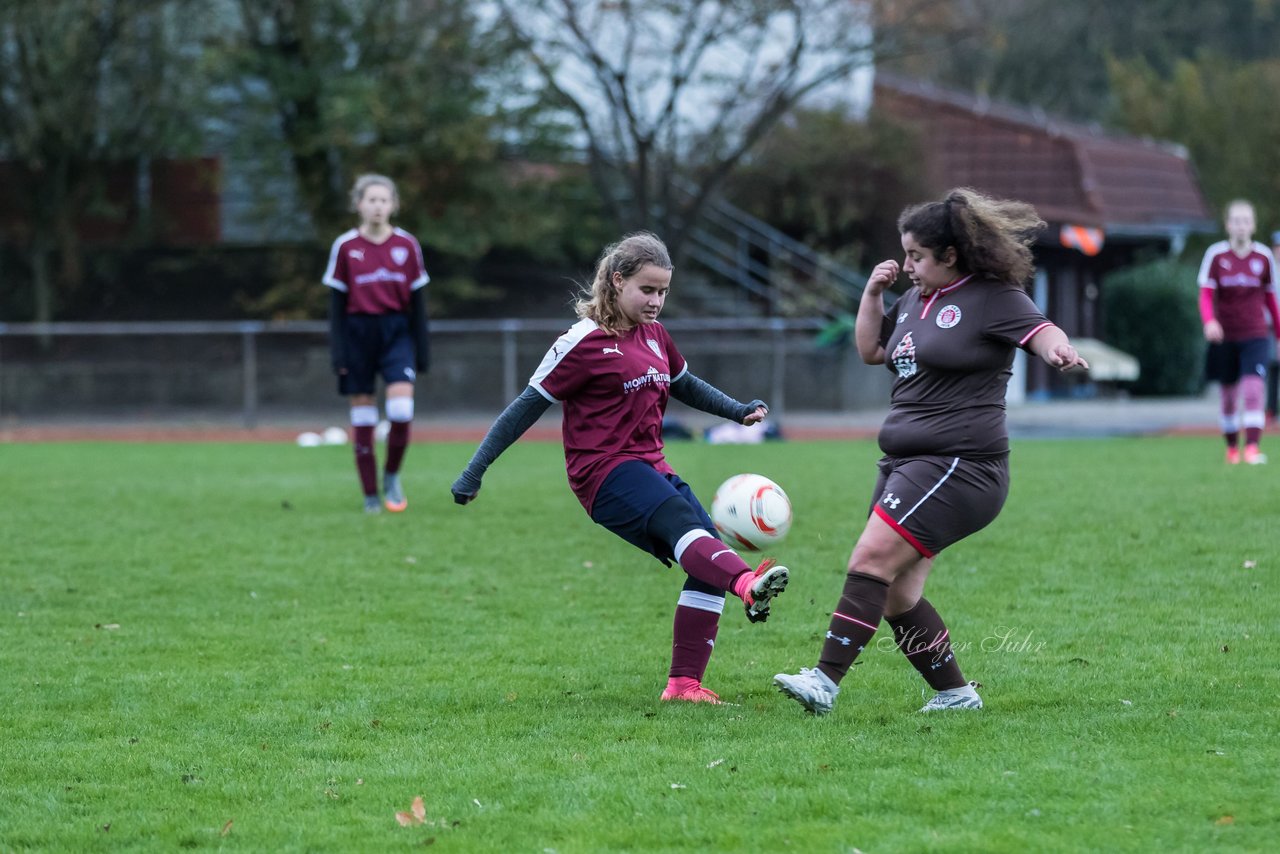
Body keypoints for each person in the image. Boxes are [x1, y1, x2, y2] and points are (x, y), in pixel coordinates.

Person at [773, 188, 1089, 716]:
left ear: (951, 255)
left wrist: (1055, 347)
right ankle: (955, 694)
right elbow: (873, 351)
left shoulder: (993, 296)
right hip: (905, 463)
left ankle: (824, 681)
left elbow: (1040, 330)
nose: (908, 265)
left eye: (917, 255)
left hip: (960, 465)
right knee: (896, 593)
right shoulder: (916, 298)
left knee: (870, 560)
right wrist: (872, 295)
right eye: (905, 254)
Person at [450, 232, 790, 704]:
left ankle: (683, 684)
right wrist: (475, 469)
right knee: (684, 527)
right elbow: (524, 408)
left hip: (650, 465)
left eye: (663, 291)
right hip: (602, 473)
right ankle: (747, 582)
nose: (656, 301)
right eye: (647, 290)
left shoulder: (654, 334)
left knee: (704, 554)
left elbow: (684, 383)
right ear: (617, 282)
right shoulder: (583, 341)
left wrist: (737, 410)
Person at [323, 174, 431, 513]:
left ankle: (391, 476)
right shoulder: (345, 247)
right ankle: (370, 494)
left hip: (396, 333)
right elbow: (336, 308)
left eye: (384, 200)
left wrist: (422, 349)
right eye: (371, 200)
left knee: (401, 410)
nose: (378, 206)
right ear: (359, 205)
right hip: (356, 335)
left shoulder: (407, 245)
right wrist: (338, 353)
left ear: (393, 205)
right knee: (365, 419)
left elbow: (420, 304)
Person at [1197, 201, 1279, 465]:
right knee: (1229, 398)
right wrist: (1209, 321)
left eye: (1246, 220)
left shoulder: (1264, 257)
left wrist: (1278, 335)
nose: (1241, 225)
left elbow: (1271, 300)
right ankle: (1232, 448)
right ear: (1228, 224)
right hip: (1225, 337)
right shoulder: (1216, 256)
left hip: (1255, 334)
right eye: (1236, 220)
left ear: (1253, 225)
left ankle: (1252, 448)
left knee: (1254, 390)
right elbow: (1206, 295)